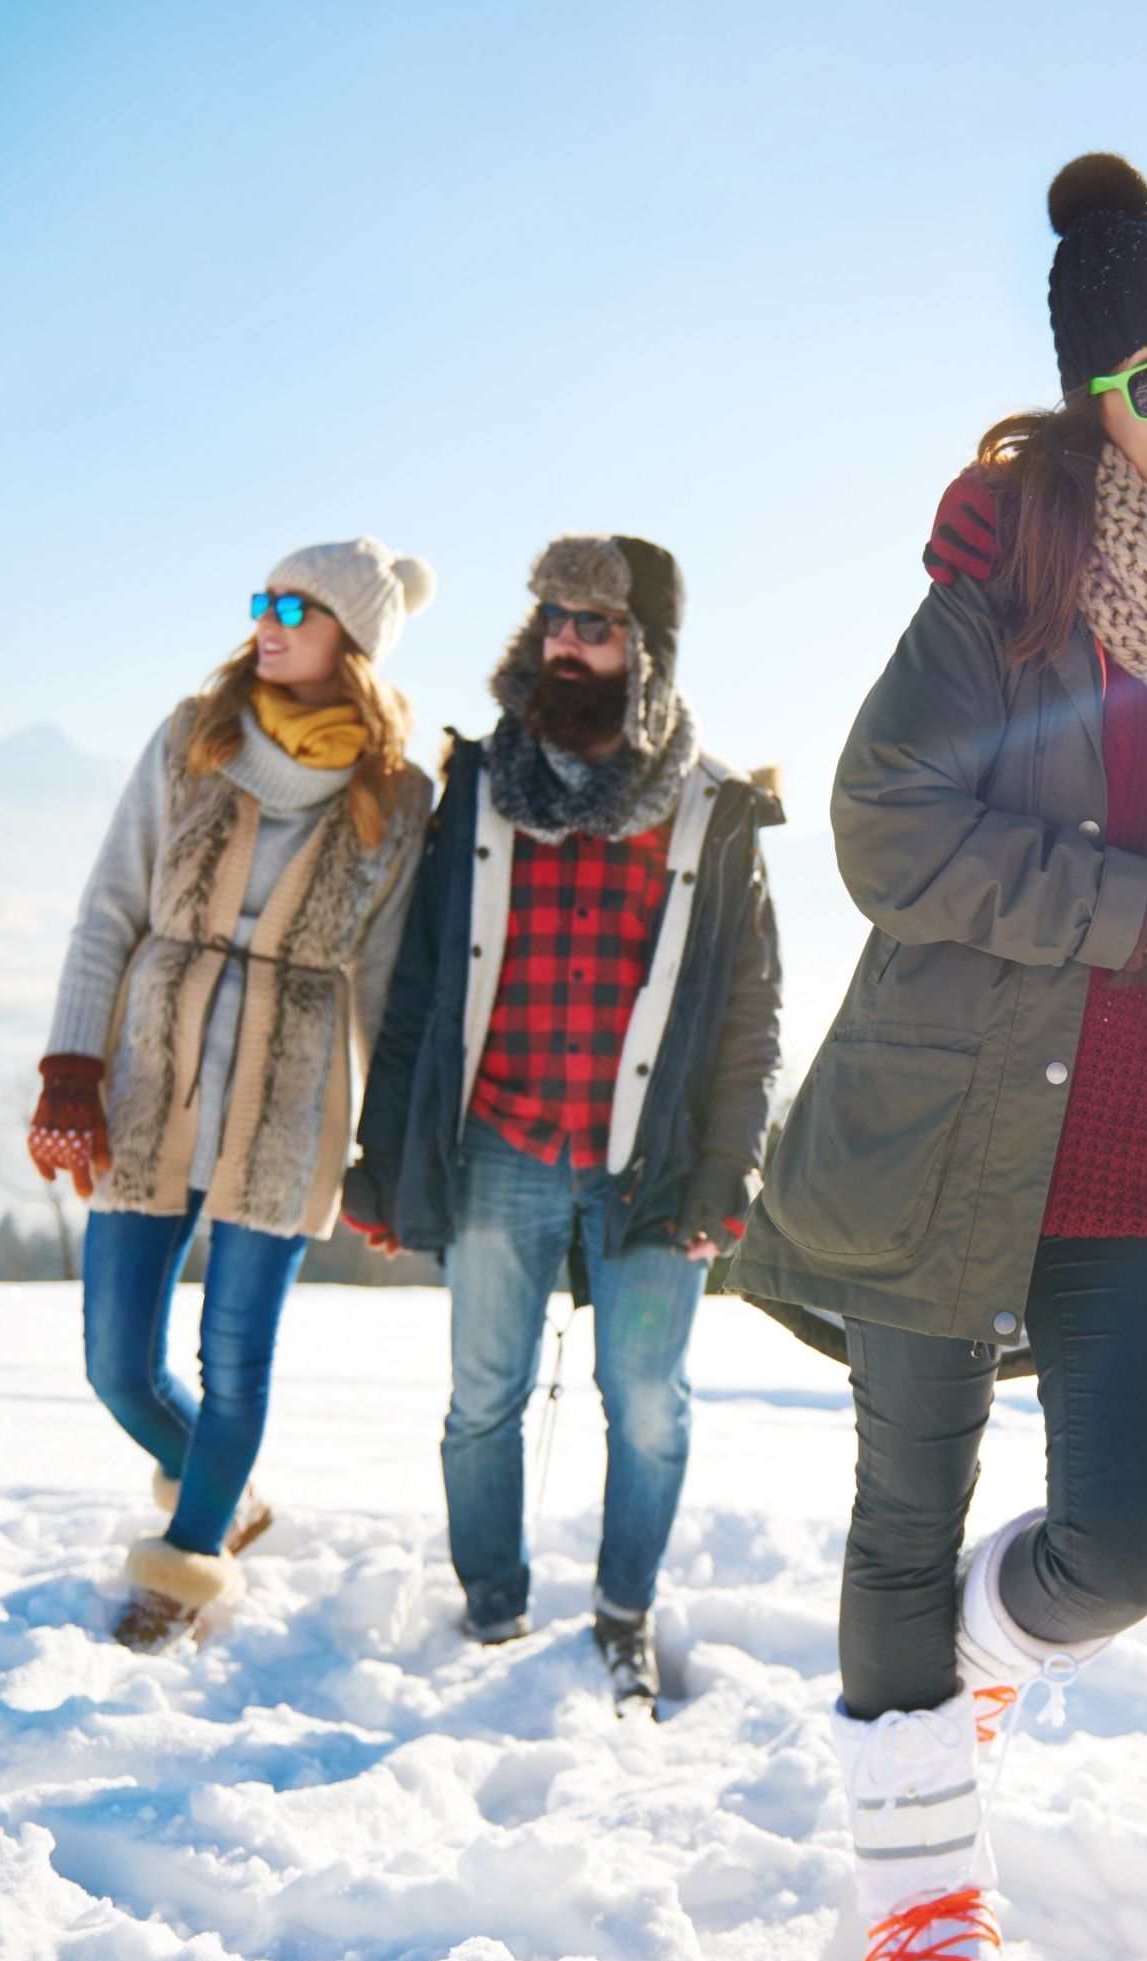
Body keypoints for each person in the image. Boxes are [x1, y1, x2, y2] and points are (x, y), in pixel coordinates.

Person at [733, 154, 1147, 1961]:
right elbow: (884, 832)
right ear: (1095, 405)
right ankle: (920, 1910)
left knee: (1126, 1550)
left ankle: (965, 1665)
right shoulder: (1013, 588)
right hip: (950, 1135)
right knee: (901, 1517)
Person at [345, 534, 783, 1712]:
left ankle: (624, 1613)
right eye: (553, 620)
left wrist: (730, 1170)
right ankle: (491, 1609)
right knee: (482, 1394)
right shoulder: (479, 787)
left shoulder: (711, 808)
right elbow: (421, 988)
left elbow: (750, 1014)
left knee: (645, 1403)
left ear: (647, 649)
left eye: (596, 625)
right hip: (502, 1148)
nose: (568, 645)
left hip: (654, 1168)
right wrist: (381, 1161)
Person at [30, 537, 437, 1651]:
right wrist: (73, 1067)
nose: (266, 619)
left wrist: (389, 1154)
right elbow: (109, 907)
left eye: (294, 607)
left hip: (293, 1100)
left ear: (349, 637)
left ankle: (187, 1565)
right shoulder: (192, 738)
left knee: (237, 1354)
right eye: (263, 598)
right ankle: (227, 1487)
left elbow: (392, 985)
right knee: (117, 1359)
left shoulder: (398, 794)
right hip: (154, 1077)